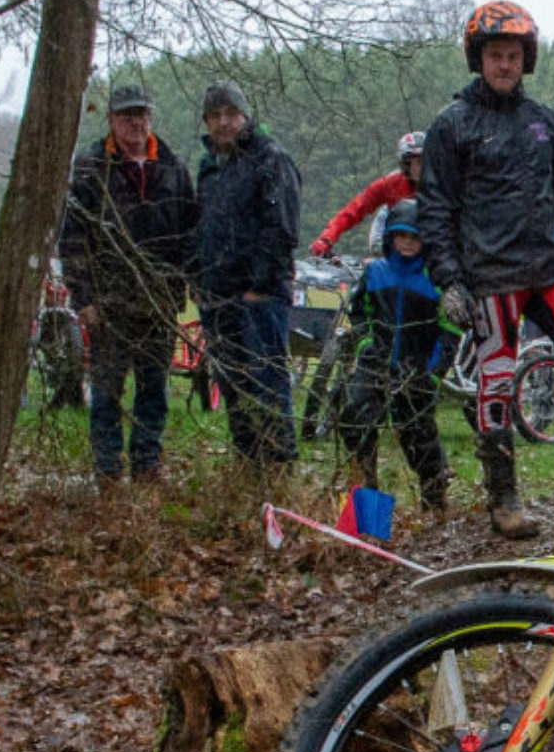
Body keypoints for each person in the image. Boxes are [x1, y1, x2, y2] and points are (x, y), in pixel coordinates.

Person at [420, 0, 554, 538]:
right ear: (478, 58)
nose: (505, 64)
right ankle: (504, 501)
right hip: (490, 279)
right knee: (494, 385)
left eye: (513, 55)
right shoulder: (451, 124)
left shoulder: (544, 122)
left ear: (526, 59)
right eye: (495, 55)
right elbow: (435, 206)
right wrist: (448, 280)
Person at [57, 82, 199, 486]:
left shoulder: (173, 167)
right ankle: (106, 467)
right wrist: (83, 297)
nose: (134, 122)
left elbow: (189, 234)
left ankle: (147, 462)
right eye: (125, 115)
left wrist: (184, 286)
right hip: (108, 305)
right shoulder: (89, 168)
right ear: (111, 120)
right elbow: (72, 239)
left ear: (150, 117)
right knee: (106, 392)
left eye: (141, 114)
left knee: (154, 389)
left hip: (157, 303)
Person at [194, 80, 302, 472]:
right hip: (217, 299)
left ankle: (278, 470)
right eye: (215, 116)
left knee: (268, 384)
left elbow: (282, 229)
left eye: (230, 114)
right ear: (206, 123)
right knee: (235, 389)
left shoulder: (270, 159)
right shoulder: (209, 169)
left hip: (259, 298)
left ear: (244, 116)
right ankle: (248, 468)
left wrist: (257, 286)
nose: (223, 123)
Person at [336, 199, 451, 512]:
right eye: (402, 237)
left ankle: (435, 502)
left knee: (419, 437)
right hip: (375, 364)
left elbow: (448, 331)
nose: (408, 243)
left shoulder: (434, 281)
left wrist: (434, 371)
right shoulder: (375, 273)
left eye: (414, 237)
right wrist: (365, 345)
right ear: (390, 238)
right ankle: (367, 506)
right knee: (357, 422)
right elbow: (360, 313)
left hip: (417, 371)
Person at [310, 132, 423, 258]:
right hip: (397, 245)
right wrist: (326, 238)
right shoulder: (391, 184)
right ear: (403, 164)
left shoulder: (443, 185)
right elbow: (355, 209)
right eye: (410, 162)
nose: (416, 168)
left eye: (422, 161)